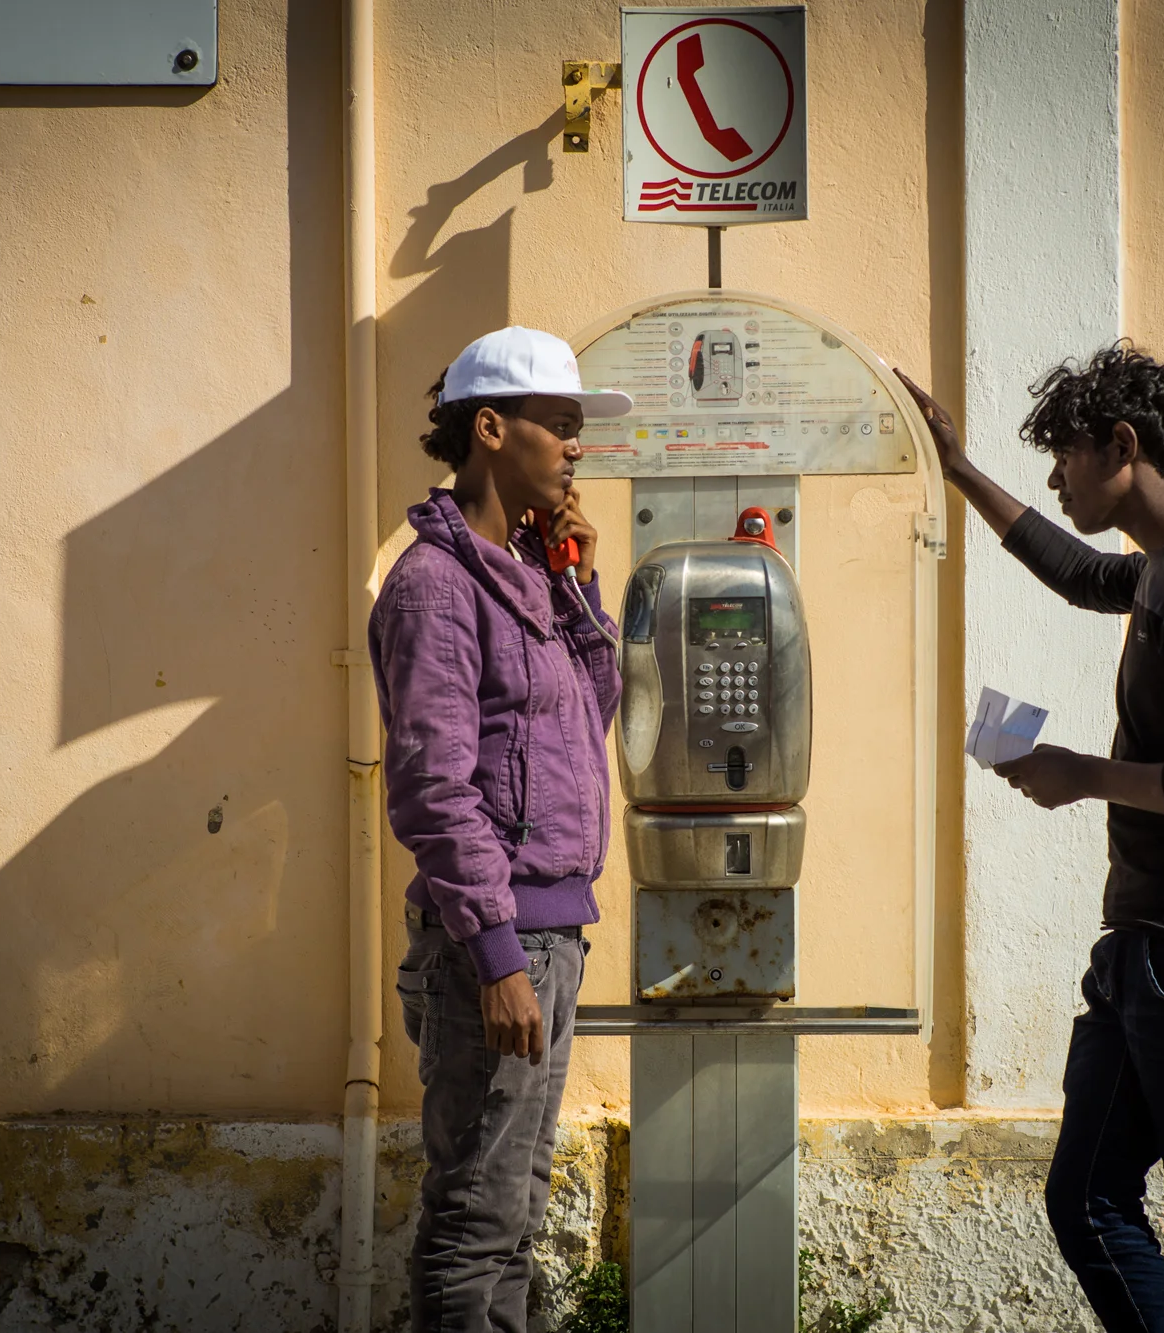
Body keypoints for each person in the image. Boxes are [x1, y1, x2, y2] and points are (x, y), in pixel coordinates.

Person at [897, 344, 1164, 1333]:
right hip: (1148, 948)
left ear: (1122, 446)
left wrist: (1083, 778)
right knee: (1085, 1199)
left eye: (1065, 455)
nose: (1054, 475)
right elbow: (1079, 574)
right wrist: (956, 471)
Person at [369, 326, 631, 1333]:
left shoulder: (524, 574)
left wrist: (578, 582)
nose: (574, 448)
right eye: (558, 425)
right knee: (475, 1221)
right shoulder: (435, 586)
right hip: (499, 939)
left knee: (515, 1218)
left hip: (546, 932)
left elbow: (584, 719)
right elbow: (434, 786)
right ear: (490, 428)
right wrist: (493, 955)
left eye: (577, 429)